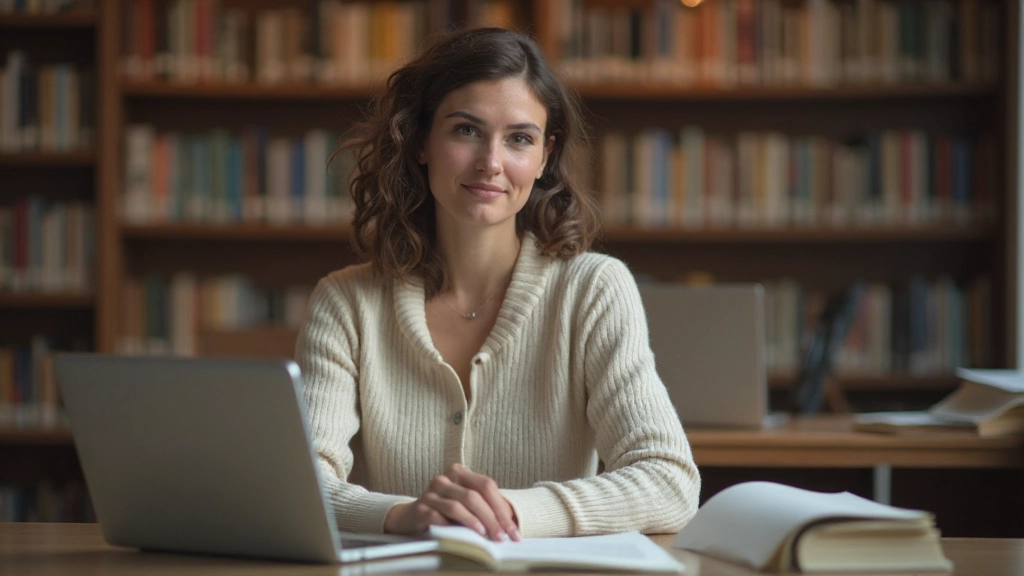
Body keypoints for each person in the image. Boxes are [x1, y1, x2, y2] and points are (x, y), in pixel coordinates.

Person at [296, 27, 700, 543]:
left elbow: (669, 480)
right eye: (466, 130)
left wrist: (506, 512)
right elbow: (304, 483)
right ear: (421, 141)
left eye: (519, 139)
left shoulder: (594, 290)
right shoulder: (345, 302)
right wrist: (405, 514)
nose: (491, 162)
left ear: (545, 156)